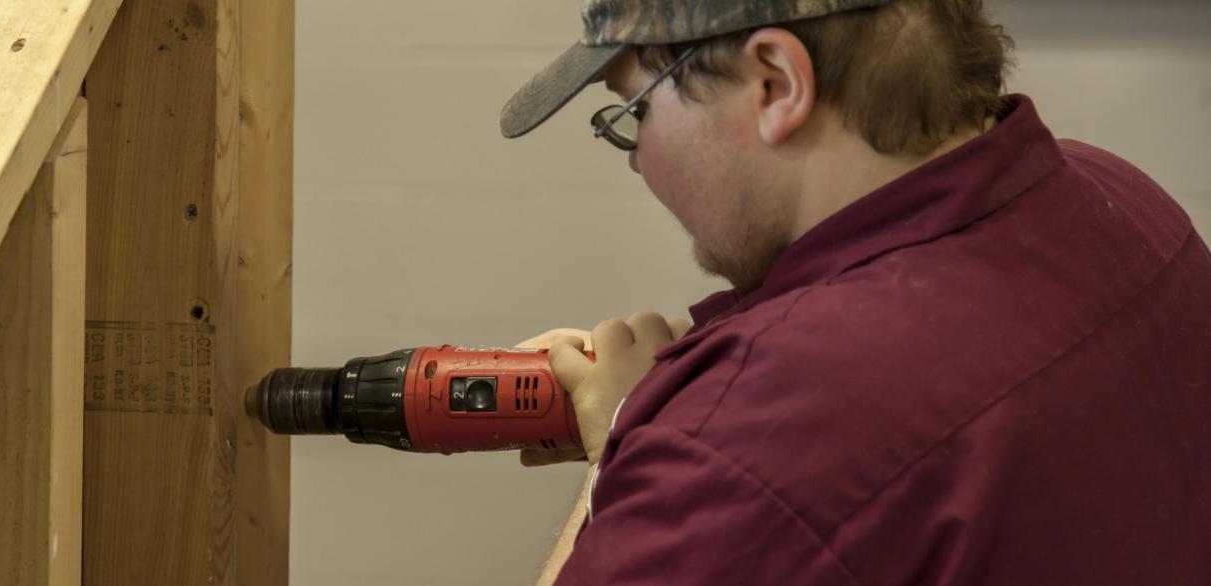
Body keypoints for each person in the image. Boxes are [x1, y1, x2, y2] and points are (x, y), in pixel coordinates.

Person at [503, 1, 1211, 584]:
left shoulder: (735, 452)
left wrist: (627, 446)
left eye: (635, 111)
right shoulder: (1123, 199)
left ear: (775, 82)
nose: (639, 162)